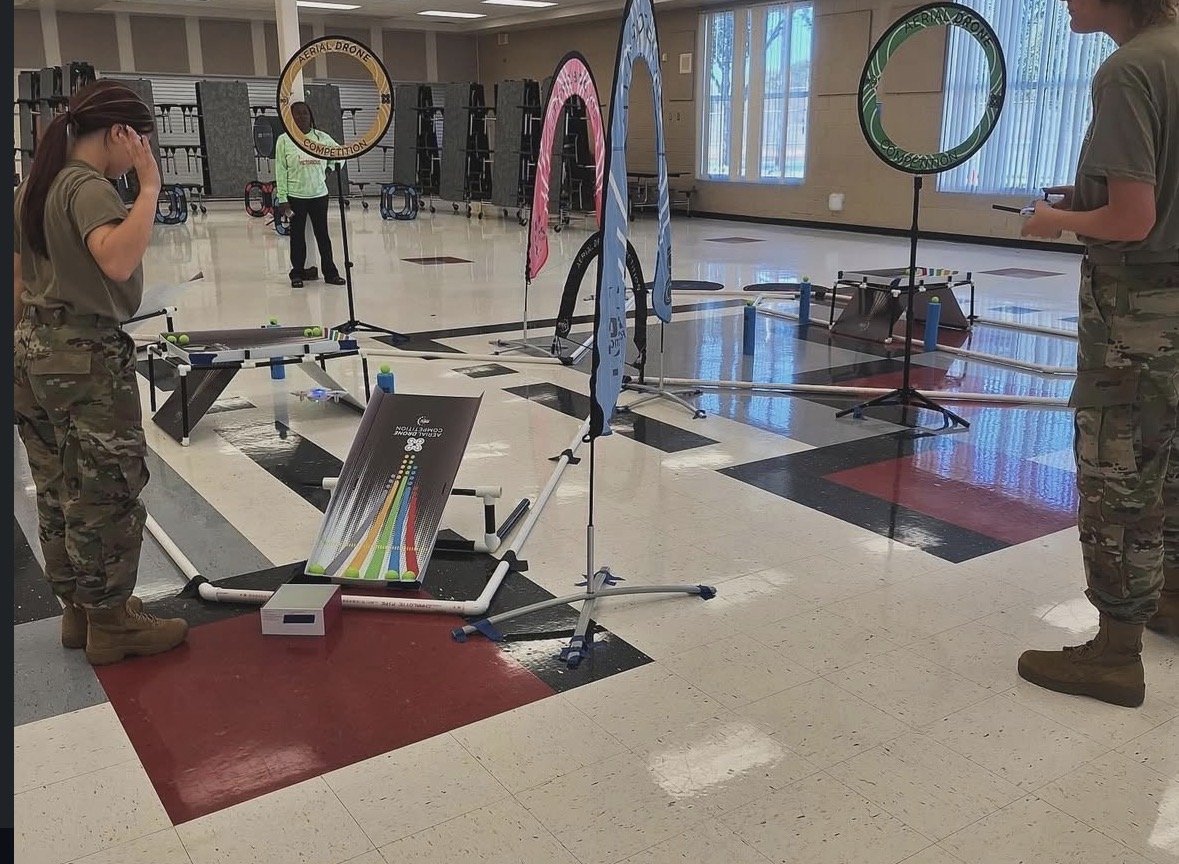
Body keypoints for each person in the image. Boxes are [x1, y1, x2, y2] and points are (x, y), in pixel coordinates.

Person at [1019, 0, 1178, 708]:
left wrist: (1057, 219)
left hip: (1137, 318)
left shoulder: (1127, 69)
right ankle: (1167, 598)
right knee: (1167, 463)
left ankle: (1115, 654)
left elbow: (1130, 219)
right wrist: (1086, 195)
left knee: (1118, 477)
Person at [13, 80, 189, 665]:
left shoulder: (32, 187)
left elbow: (17, 282)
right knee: (106, 488)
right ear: (120, 134)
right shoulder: (87, 188)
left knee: (58, 486)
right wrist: (149, 189)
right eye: (140, 141)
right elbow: (116, 259)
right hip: (85, 358)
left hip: (33, 350)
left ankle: (77, 610)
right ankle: (111, 623)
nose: (140, 152)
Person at [274, 101, 347, 288]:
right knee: (297, 236)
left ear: (311, 115)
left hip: (319, 195)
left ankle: (330, 273)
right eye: (296, 114)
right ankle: (297, 273)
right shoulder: (284, 140)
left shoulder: (322, 138)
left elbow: (341, 154)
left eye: (305, 113)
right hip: (295, 197)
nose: (301, 116)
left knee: (322, 234)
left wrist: (330, 168)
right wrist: (283, 199)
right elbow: (280, 171)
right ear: (290, 118)